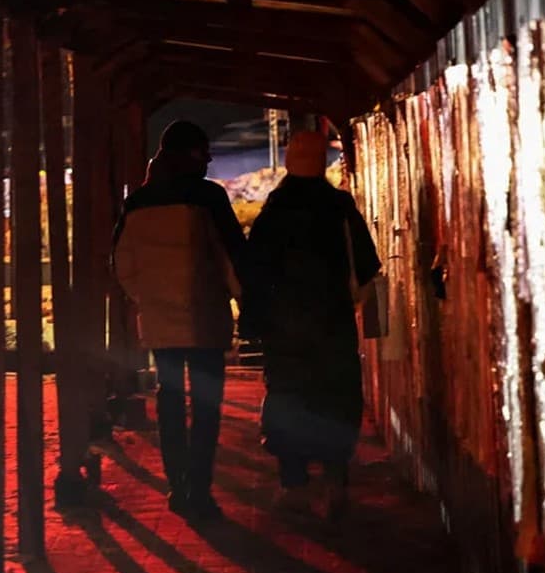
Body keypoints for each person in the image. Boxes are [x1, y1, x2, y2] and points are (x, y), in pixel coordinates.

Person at [111, 120, 246, 521]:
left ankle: (177, 485)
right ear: (188, 154)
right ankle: (199, 489)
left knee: (169, 405)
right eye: (203, 151)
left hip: (160, 322)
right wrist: (244, 301)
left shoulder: (137, 203)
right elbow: (233, 256)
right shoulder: (209, 198)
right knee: (206, 408)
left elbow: (121, 263)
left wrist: (147, 297)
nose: (208, 159)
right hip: (204, 319)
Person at [244, 129, 380, 522]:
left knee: (288, 397)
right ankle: (336, 478)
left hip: (284, 328)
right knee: (335, 397)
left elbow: (255, 271)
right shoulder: (339, 207)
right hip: (332, 322)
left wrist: (255, 322)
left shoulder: (275, 209)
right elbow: (367, 265)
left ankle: (293, 482)